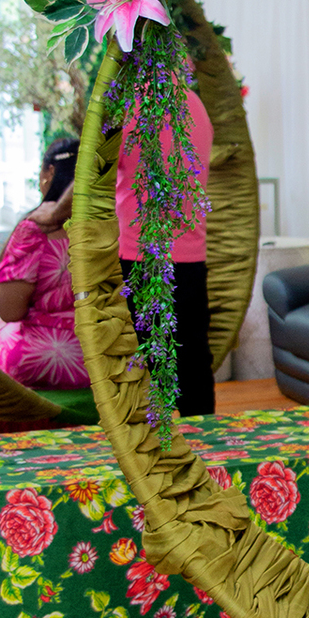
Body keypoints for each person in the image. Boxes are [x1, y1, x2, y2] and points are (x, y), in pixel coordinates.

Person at [116, 80, 215, 417]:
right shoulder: (194, 104)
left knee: (137, 367)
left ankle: (144, 458)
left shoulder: (128, 105)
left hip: (140, 258)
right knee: (193, 363)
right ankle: (206, 453)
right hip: (190, 257)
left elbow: (94, 176)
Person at [0, 136, 90, 389]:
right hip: (105, 357)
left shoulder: (35, 228)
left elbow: (9, 311)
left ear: (49, 172)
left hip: (41, 357)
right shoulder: (112, 224)